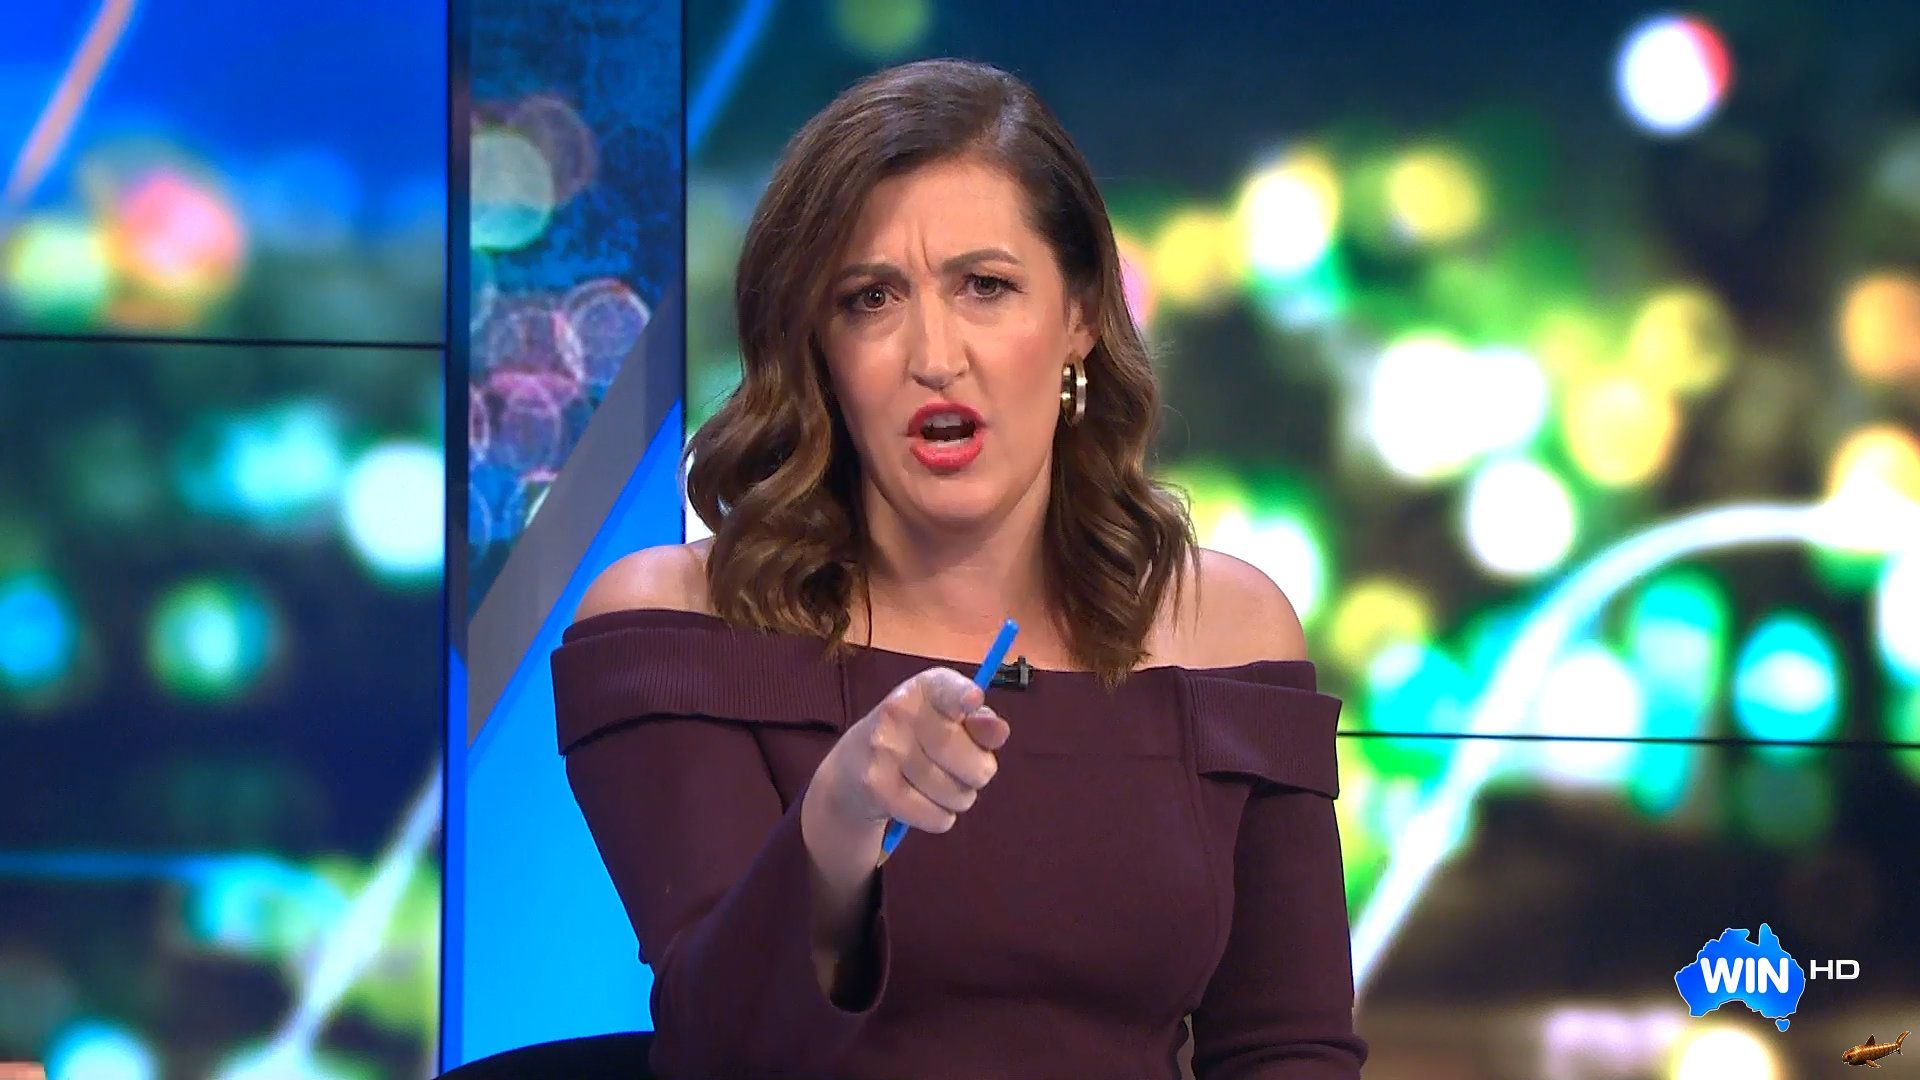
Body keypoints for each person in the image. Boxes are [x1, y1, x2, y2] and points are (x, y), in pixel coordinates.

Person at [551, 58, 1367, 1080]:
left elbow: (1286, 1050)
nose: (934, 354)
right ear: (817, 345)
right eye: (870, 298)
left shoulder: (1228, 634)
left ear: (1080, 317)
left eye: (986, 286)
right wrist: (840, 817)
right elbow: (721, 1050)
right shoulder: (679, 631)